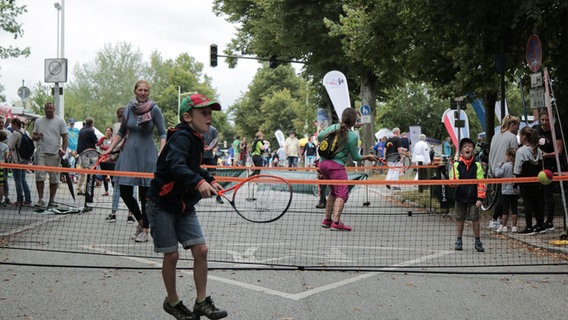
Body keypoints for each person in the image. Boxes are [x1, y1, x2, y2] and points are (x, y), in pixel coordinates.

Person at [146, 93, 227, 320]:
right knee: (171, 255)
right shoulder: (181, 138)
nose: (209, 117)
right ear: (187, 116)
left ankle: (201, 302)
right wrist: (197, 182)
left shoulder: (195, 138)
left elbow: (194, 167)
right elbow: (176, 166)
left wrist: (208, 179)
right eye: (204, 113)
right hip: (161, 204)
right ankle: (172, 302)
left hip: (183, 205)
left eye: (210, 113)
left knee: (201, 250)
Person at [105, 80, 167, 242]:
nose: (143, 92)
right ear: (135, 91)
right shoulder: (128, 110)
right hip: (129, 153)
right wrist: (111, 147)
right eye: (140, 89)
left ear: (149, 92)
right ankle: (141, 221)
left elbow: (162, 133)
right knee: (124, 190)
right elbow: (122, 131)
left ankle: (145, 230)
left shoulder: (154, 109)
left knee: (144, 194)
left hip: (147, 154)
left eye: (146, 90)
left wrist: (161, 150)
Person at [318, 108, 377, 231]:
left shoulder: (333, 127)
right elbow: (356, 157)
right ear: (354, 121)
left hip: (322, 164)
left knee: (333, 192)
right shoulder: (352, 136)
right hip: (336, 167)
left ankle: (327, 220)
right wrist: (368, 157)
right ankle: (336, 222)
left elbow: (319, 137)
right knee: (342, 193)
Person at [450, 137, 486, 252]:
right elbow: (453, 180)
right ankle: (459, 240)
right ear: (461, 151)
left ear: (473, 150)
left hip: (474, 197)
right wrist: (453, 184)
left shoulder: (477, 165)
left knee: (475, 219)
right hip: (460, 196)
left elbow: (481, 182)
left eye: (470, 146)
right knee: (460, 219)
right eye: (465, 146)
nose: (467, 148)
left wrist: (480, 198)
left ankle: (477, 241)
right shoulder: (456, 165)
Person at [32, 102, 69, 208]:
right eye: (47, 108)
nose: (49, 110)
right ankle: (40, 199)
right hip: (42, 153)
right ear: (44, 109)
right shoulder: (39, 121)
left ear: (54, 109)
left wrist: (64, 150)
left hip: (55, 154)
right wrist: (38, 136)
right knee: (40, 177)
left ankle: (51, 200)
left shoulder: (60, 121)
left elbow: (65, 137)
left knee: (54, 179)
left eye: (50, 108)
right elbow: (33, 136)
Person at [487, 115, 520, 229]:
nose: (518, 129)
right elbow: (515, 154)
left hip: (497, 168)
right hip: (507, 170)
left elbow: (491, 153)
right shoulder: (512, 137)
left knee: (501, 195)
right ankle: (494, 219)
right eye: (517, 126)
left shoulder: (495, 136)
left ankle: (499, 219)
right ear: (512, 125)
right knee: (504, 196)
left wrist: (491, 169)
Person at [534, 109, 564, 231]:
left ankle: (549, 221)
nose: (545, 122)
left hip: (549, 167)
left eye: (547, 120)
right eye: (543, 120)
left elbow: (559, 151)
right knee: (537, 195)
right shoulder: (536, 130)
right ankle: (539, 221)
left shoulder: (555, 132)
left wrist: (546, 155)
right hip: (537, 166)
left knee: (548, 195)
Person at [105, 107, 135, 223]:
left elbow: (116, 144)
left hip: (122, 157)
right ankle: (130, 214)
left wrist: (110, 156)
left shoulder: (118, 125)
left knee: (117, 185)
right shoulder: (134, 125)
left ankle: (114, 213)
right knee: (132, 186)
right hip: (132, 157)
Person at [514, 126, 545, 235]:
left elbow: (517, 169)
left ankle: (529, 227)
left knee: (527, 203)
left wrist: (515, 181)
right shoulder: (539, 151)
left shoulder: (521, 151)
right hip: (537, 180)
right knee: (537, 202)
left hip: (525, 180)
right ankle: (540, 225)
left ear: (523, 137)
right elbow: (541, 166)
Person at [494, 148, 519, 233]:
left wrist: (498, 166)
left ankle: (503, 225)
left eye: (506, 155)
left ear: (509, 156)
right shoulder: (516, 165)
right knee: (514, 209)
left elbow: (497, 174)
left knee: (505, 209)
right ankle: (514, 226)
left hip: (505, 191)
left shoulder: (505, 165)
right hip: (515, 190)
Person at [7, 118, 32, 205]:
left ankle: (19, 199)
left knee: (18, 180)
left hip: (17, 160)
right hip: (25, 159)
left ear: (14, 124)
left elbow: (10, 145)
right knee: (23, 179)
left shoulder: (16, 133)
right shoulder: (26, 132)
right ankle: (28, 199)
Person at [76, 117, 98, 196]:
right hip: (89, 153)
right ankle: (86, 189)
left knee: (82, 171)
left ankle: (79, 188)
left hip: (81, 153)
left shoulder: (81, 130)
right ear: (92, 123)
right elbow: (96, 141)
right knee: (88, 171)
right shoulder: (91, 130)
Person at [202, 125, 223, 204]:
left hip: (209, 156)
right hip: (199, 155)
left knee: (214, 176)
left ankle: (218, 196)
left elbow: (215, 142)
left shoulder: (213, 129)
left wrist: (212, 147)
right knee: (193, 173)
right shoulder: (198, 127)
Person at [96, 126, 113, 196]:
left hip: (110, 160)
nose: (107, 132)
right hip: (103, 159)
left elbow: (111, 148)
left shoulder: (113, 140)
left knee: (112, 176)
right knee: (104, 175)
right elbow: (98, 145)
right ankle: (106, 191)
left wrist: (104, 147)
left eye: (109, 131)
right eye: (106, 131)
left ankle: (115, 190)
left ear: (111, 132)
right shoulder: (103, 139)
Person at [0, 116, 12, 204]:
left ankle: (6, 197)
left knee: (5, 179)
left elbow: (11, 145)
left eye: (2, 122)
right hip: (3, 161)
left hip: (5, 163)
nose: (1, 124)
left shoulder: (8, 132)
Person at [0, 131, 8, 205]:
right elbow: (6, 157)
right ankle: (1, 199)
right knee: (1, 184)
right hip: (2, 166)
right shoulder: (6, 146)